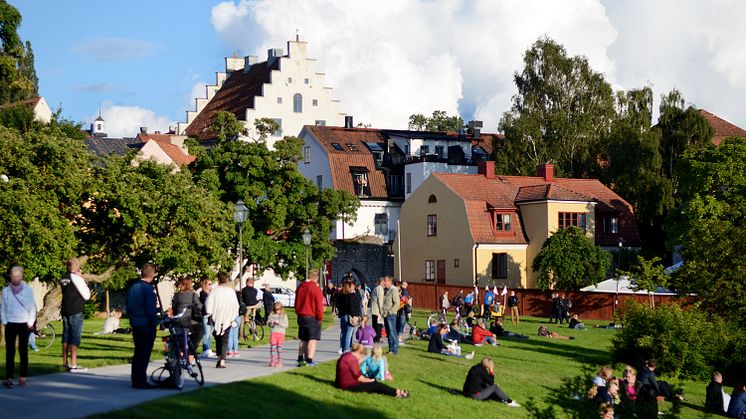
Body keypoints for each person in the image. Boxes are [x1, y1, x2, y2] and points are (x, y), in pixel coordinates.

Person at [2, 266, 37, 388]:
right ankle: (9, 378)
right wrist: (4, 321)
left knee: (23, 351)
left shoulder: (27, 290)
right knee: (10, 352)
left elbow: (33, 307)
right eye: (13, 276)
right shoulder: (6, 291)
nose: (15, 278)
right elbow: (3, 308)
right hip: (10, 323)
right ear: (10, 276)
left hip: (24, 323)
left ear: (21, 276)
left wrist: (30, 322)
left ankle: (23, 377)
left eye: (18, 276)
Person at [126, 263, 159, 389]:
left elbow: (128, 305)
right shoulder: (148, 289)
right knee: (144, 353)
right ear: (153, 274)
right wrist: (156, 321)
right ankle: (141, 380)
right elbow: (151, 309)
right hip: (146, 323)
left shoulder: (133, 287)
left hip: (135, 323)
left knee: (138, 352)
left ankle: (136, 378)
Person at [335, 343, 409, 398]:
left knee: (373, 383)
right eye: (361, 356)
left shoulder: (346, 355)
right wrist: (370, 381)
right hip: (349, 385)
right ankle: (397, 392)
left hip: (341, 383)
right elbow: (360, 378)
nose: (360, 358)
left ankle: (388, 391)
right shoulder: (352, 359)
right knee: (376, 384)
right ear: (358, 352)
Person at [59, 258, 91, 372]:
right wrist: (81, 278)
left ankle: (64, 362)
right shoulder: (77, 278)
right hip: (76, 310)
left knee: (66, 337)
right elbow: (87, 295)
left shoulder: (63, 278)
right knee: (75, 337)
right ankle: (73, 364)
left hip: (65, 309)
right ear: (77, 267)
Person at [205, 272, 239, 369]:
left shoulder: (214, 291)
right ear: (227, 280)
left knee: (218, 338)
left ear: (218, 280)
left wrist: (210, 313)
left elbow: (208, 304)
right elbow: (235, 305)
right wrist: (233, 316)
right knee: (224, 339)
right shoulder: (231, 292)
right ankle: (222, 360)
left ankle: (220, 358)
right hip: (228, 318)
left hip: (217, 317)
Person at [295, 268, 325, 367]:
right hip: (312, 316)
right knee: (312, 339)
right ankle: (309, 359)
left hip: (301, 315)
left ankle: (300, 358)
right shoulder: (315, 289)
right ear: (316, 277)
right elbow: (319, 306)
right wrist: (320, 317)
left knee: (303, 339)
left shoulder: (300, 287)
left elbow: (296, 302)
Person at [170, 276, 203, 365]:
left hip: (179, 321)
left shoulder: (177, 295)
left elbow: (174, 307)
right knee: (198, 334)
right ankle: (190, 357)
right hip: (191, 321)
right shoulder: (193, 295)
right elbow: (200, 306)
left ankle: (181, 353)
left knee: (179, 337)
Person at [335, 279, 362, 353]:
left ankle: (343, 348)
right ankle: (347, 349)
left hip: (343, 316)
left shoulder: (341, 296)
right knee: (348, 334)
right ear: (349, 287)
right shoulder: (352, 296)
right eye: (352, 286)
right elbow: (352, 307)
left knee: (343, 333)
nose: (353, 287)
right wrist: (355, 316)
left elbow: (338, 305)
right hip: (350, 316)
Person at [381, 276, 400, 355]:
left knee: (392, 333)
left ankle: (394, 350)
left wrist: (391, 311)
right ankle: (390, 349)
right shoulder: (386, 290)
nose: (384, 283)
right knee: (388, 333)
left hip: (391, 315)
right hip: (385, 314)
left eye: (385, 281)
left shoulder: (394, 290)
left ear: (389, 282)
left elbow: (397, 303)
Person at [267, 301, 288, 367]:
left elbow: (286, 325)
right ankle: (272, 360)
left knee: (279, 347)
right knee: (272, 347)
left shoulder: (284, 316)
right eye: (276, 310)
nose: (277, 311)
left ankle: (280, 361)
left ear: (281, 309)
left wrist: (279, 323)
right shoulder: (271, 315)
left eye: (278, 310)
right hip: (273, 332)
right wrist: (272, 323)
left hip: (280, 333)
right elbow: (269, 324)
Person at [198, 276, 215, 358]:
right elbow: (206, 302)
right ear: (205, 285)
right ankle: (205, 349)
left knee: (210, 333)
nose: (210, 286)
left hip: (211, 314)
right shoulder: (202, 293)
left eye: (211, 284)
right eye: (209, 284)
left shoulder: (210, 293)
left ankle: (209, 348)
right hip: (205, 314)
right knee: (206, 333)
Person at [227, 290, 242, 358]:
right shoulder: (239, 302)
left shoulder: (230, 302)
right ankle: (236, 351)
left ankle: (230, 351)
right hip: (237, 317)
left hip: (230, 317)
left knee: (230, 335)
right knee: (235, 336)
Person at [370, 277, 385, 343]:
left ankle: (375, 338)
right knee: (378, 325)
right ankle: (377, 338)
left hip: (374, 309)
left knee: (374, 325)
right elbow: (380, 301)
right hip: (377, 311)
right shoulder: (380, 289)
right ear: (381, 282)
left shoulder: (375, 288)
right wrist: (381, 311)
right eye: (384, 281)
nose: (385, 283)